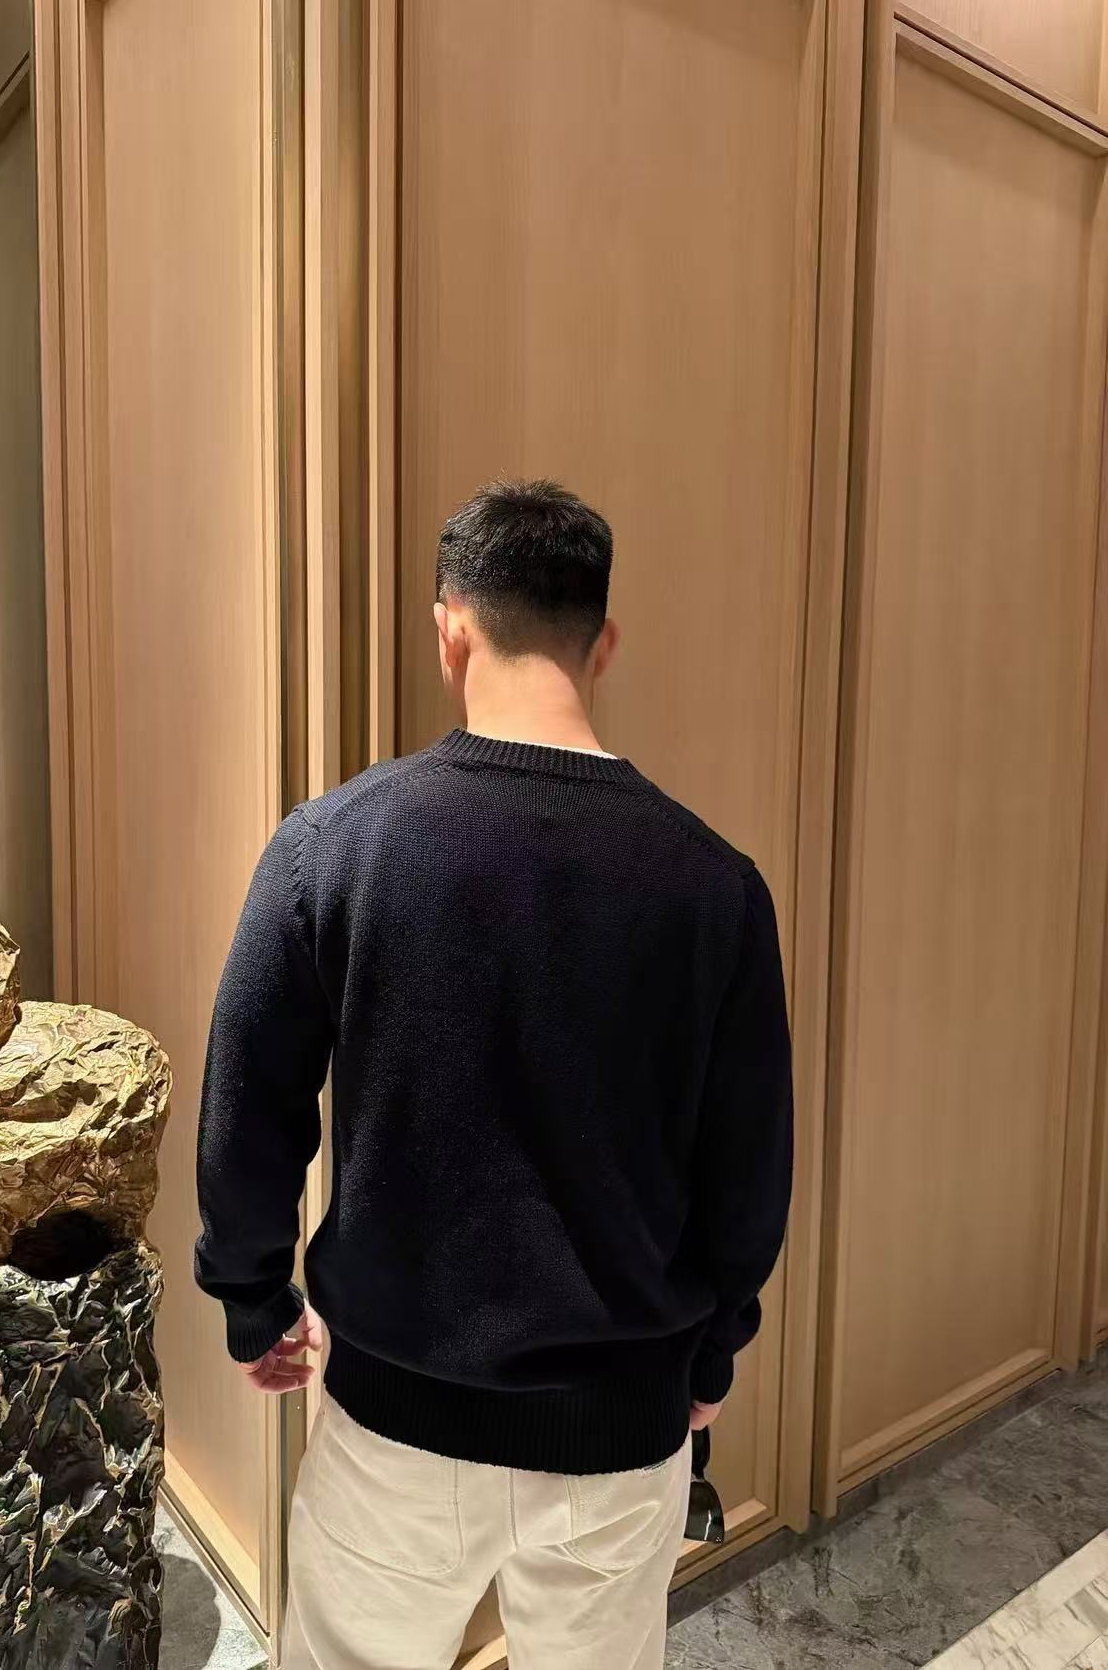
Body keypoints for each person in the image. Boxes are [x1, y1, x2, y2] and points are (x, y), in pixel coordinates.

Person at [195, 480, 793, 1670]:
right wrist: (712, 1353)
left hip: (393, 1426)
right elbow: (747, 1168)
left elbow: (246, 1107)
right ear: (602, 643)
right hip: (622, 1429)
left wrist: (254, 1301)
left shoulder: (334, 845)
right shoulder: (714, 886)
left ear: (450, 631)